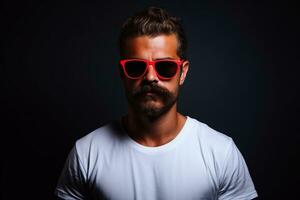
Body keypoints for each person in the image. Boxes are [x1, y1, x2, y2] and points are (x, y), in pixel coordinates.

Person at [55, 6, 258, 200]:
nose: (151, 77)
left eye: (165, 67)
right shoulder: (87, 153)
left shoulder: (221, 153)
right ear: (121, 73)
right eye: (136, 67)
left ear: (183, 72)